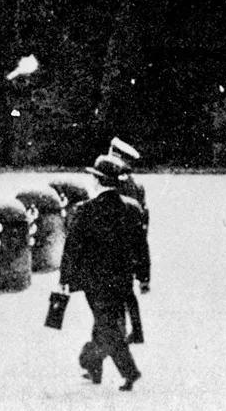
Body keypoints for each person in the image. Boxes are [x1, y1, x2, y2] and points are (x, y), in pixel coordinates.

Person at [60, 154, 148, 391]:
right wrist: (143, 276)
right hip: (122, 279)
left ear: (98, 181)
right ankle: (93, 367)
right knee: (105, 322)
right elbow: (141, 245)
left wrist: (65, 279)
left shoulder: (85, 210)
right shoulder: (131, 208)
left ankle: (128, 371)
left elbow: (72, 247)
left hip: (94, 280)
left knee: (107, 326)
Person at [108, 136, 149, 344]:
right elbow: (144, 219)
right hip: (133, 245)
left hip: (118, 246)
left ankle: (122, 333)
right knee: (127, 292)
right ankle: (137, 330)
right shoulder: (137, 185)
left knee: (116, 294)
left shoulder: (117, 184)